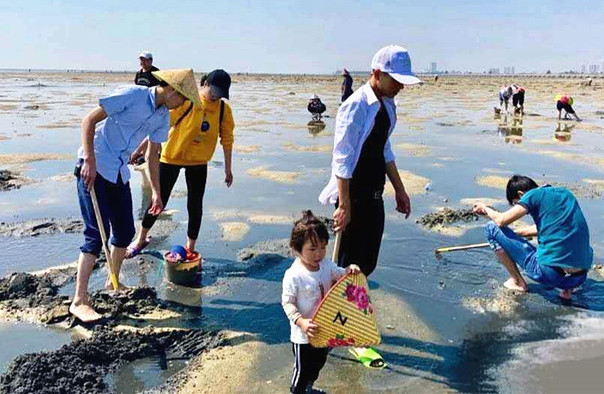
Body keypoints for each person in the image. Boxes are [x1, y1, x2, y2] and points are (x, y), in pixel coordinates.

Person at [70, 69, 201, 323]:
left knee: (125, 232)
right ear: (173, 90)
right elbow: (89, 121)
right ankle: (79, 300)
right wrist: (89, 159)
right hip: (94, 168)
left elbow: (153, 155)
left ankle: (113, 282)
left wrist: (156, 192)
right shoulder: (132, 95)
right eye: (184, 99)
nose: (183, 105)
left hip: (118, 171)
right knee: (96, 235)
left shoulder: (163, 117)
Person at [319, 44, 419, 277]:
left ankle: (355, 307)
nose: (401, 86)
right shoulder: (356, 105)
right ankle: (338, 310)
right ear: (377, 74)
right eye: (395, 80)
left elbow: (384, 148)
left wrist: (400, 190)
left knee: (367, 264)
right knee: (345, 267)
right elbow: (342, 158)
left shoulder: (387, 104)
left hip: (375, 196)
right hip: (353, 198)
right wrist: (344, 206)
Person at [126, 69, 235, 259]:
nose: (216, 97)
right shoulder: (188, 100)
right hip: (172, 157)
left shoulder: (224, 110)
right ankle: (141, 238)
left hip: (199, 162)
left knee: (195, 204)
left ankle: (190, 247)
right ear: (206, 84)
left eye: (221, 94)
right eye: (214, 91)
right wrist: (140, 149)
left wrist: (228, 169)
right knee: (158, 200)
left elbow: (227, 139)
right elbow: (161, 125)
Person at [473, 175, 593, 300]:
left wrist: (484, 208)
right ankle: (567, 291)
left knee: (491, 227)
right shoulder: (565, 194)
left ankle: (518, 282)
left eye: (516, 203)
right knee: (571, 242)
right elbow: (549, 228)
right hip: (579, 278)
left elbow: (501, 221)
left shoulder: (532, 195)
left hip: (551, 275)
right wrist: (515, 235)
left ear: (521, 194)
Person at [282, 210, 361, 394]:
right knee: (302, 369)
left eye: (323, 247)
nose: (318, 254)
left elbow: (340, 274)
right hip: (303, 335)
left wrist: (350, 269)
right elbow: (288, 303)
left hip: (324, 328)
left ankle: (308, 386)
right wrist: (301, 321)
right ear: (296, 248)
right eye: (312, 249)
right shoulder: (294, 275)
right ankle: (297, 390)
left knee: (318, 363)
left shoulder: (326, 264)